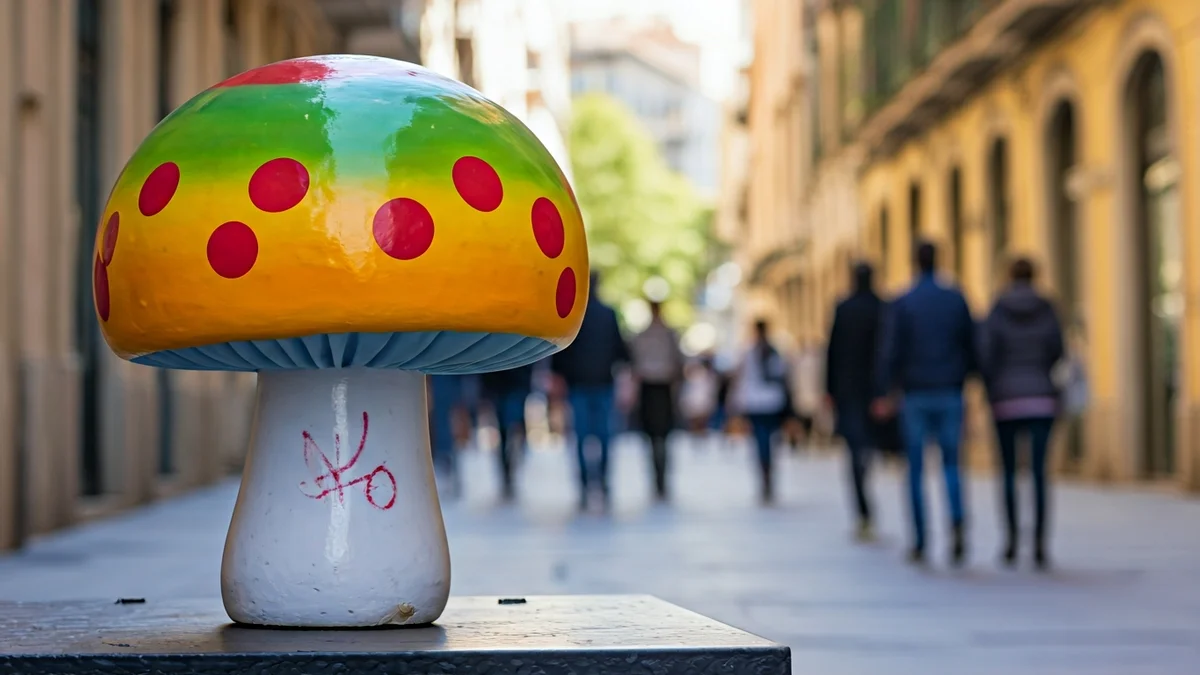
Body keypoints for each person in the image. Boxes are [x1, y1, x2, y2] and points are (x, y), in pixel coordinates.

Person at [877, 241, 977, 565]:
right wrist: (967, 377)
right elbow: (972, 343)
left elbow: (891, 350)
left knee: (916, 468)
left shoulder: (904, 301)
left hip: (915, 393)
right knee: (952, 463)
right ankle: (957, 521)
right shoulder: (955, 297)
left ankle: (921, 539)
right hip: (949, 389)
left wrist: (886, 389)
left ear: (914, 262)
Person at [978, 257, 1065, 569]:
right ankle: (1040, 543)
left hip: (1006, 401)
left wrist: (992, 388)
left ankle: (1012, 541)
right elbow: (1058, 349)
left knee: (1009, 473)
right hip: (1041, 397)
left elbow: (986, 354)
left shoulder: (998, 308)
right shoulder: (1047, 307)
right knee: (1040, 474)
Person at [550, 272, 630, 510]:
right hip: (603, 383)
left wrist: (559, 377)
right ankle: (603, 482)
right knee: (605, 436)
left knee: (582, 436)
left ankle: (586, 484)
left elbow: (561, 350)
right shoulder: (608, 314)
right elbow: (621, 351)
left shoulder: (573, 315)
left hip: (579, 385)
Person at [825, 262, 885, 540]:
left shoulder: (844, 308)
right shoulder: (882, 308)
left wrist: (829, 390)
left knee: (854, 451)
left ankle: (862, 511)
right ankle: (865, 502)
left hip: (849, 392)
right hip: (874, 393)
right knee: (867, 448)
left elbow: (832, 352)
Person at [629, 300, 685, 500]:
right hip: (656, 388)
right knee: (657, 437)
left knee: (658, 438)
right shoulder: (650, 336)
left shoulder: (660, 335)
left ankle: (660, 479)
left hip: (660, 388)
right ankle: (659, 479)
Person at [731, 319, 792, 504]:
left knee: (761, 441)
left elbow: (743, 379)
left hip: (760, 402)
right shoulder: (770, 351)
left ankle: (765, 475)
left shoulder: (752, 352)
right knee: (767, 441)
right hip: (770, 402)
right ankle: (767, 476)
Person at [481, 364, 534, 502]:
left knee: (514, 427)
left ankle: (512, 467)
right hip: (500, 385)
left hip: (514, 384)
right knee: (505, 431)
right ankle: (508, 470)